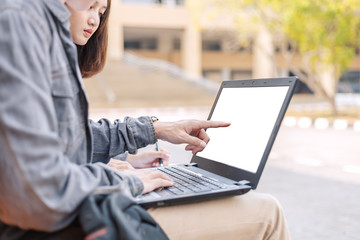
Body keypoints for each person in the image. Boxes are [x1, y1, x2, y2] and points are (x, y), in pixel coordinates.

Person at [0, 0, 290, 239]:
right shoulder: (21, 21)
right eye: (92, 8)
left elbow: (60, 138)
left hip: (69, 213)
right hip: (61, 226)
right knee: (266, 212)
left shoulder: (39, 21)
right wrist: (122, 179)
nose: (95, 20)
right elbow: (35, 189)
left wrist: (154, 130)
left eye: (101, 12)